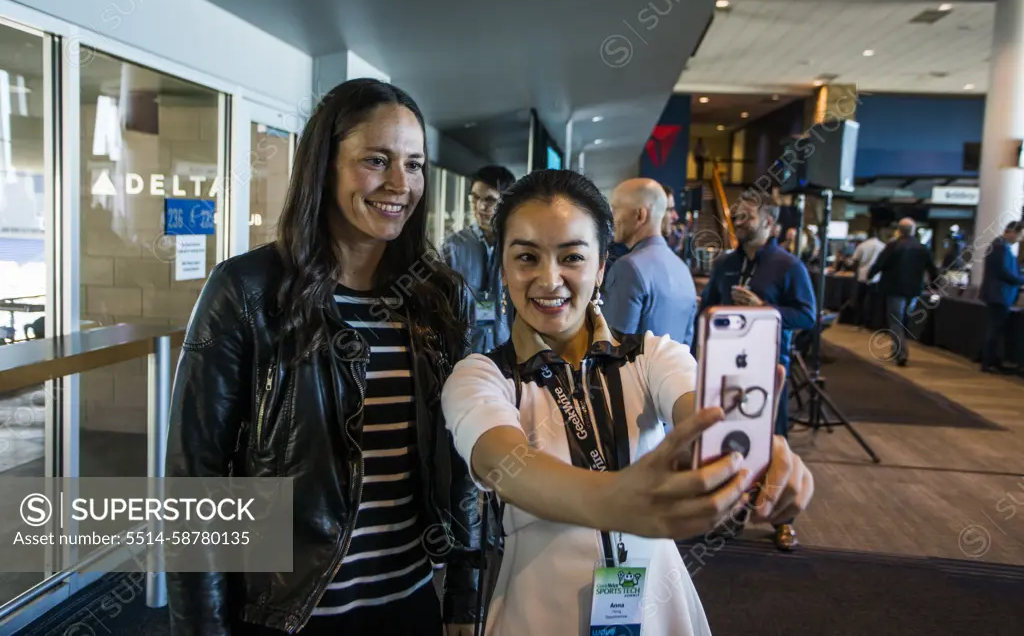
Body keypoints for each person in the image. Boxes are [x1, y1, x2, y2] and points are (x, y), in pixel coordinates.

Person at [165, 78, 481, 636]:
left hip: (408, 605)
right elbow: (195, 482)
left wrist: (463, 593)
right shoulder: (246, 292)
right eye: (376, 160)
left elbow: (461, 464)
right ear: (324, 165)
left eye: (414, 165)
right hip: (288, 613)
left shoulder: (438, 296)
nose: (399, 184)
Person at [441, 170, 814, 636]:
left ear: (601, 267)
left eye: (572, 256)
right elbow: (503, 462)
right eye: (527, 257)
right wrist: (615, 500)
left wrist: (747, 446)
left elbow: (696, 406)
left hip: (658, 609)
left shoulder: (653, 356)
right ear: (505, 268)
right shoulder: (482, 376)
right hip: (537, 612)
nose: (549, 279)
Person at [699, 189, 816, 552]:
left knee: (772, 440)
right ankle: (731, 515)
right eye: (736, 216)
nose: (737, 222)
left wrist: (765, 309)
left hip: (769, 369)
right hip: (724, 368)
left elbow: (808, 315)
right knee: (727, 441)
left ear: (769, 222)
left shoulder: (789, 266)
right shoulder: (724, 264)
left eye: (745, 216)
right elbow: (706, 309)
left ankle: (783, 521)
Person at [603, 177, 699, 347]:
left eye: (616, 210)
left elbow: (613, 348)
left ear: (640, 215)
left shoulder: (628, 268)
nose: (612, 219)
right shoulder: (683, 271)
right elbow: (686, 344)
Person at [442, 165, 516, 354]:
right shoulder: (453, 246)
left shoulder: (517, 246)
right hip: (462, 354)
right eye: (475, 197)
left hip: (508, 353)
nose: (481, 206)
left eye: (490, 199)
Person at [868, 217, 938, 368]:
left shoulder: (893, 246)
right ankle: (897, 348)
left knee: (895, 321)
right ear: (913, 231)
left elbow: (880, 264)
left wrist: (869, 276)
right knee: (904, 320)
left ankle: (901, 352)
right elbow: (932, 268)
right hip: (913, 290)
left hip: (894, 289)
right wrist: (935, 284)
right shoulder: (922, 247)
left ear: (899, 230)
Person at [979, 221, 1024, 374]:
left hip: (998, 294)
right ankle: (989, 362)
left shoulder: (1000, 246)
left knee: (995, 329)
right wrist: (1021, 280)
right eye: (1018, 235)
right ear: (1011, 232)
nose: (1018, 239)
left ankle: (992, 360)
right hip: (998, 294)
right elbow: (1004, 272)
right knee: (995, 329)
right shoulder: (1000, 247)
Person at [850, 227, 885, 329]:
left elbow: (855, 261)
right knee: (873, 301)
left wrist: (854, 272)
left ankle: (858, 322)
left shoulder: (862, 246)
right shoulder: (882, 246)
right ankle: (870, 323)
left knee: (860, 300)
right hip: (877, 277)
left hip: (862, 275)